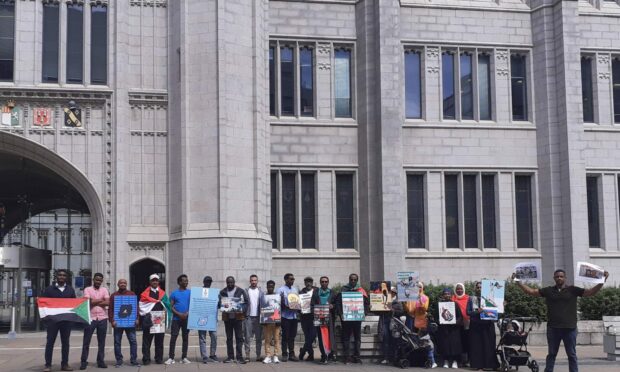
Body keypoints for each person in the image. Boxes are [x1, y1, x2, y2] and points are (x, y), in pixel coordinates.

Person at [513, 269, 610, 372]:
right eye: (557, 276)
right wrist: (518, 282)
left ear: (565, 278)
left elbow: (590, 292)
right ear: (554, 278)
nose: (559, 278)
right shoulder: (549, 291)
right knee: (551, 354)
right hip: (553, 328)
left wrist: (602, 281)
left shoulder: (573, 290)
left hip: (570, 328)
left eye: (561, 276)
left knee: (572, 355)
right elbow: (531, 292)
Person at [42, 269, 76, 372]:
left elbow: (74, 304)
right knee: (50, 343)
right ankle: (48, 365)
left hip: (66, 321)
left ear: (66, 278)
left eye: (64, 275)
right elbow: (43, 304)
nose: (62, 277)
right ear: (56, 276)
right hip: (53, 321)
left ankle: (64, 364)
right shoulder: (49, 289)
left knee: (65, 343)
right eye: (60, 275)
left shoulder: (70, 290)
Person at [333, 273, 370, 364]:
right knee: (346, 338)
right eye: (351, 279)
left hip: (357, 318)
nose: (353, 281)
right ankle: (347, 357)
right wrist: (341, 314)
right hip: (346, 319)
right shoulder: (343, 289)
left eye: (355, 280)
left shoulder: (361, 290)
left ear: (357, 280)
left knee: (357, 338)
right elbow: (338, 303)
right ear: (349, 280)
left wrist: (364, 313)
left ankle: (357, 356)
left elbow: (366, 304)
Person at [80, 273, 110, 370]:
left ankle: (100, 361)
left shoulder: (104, 289)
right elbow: (88, 302)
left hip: (102, 318)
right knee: (86, 342)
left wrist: (94, 301)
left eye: (100, 280)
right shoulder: (87, 289)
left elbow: (108, 302)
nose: (98, 282)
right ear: (93, 279)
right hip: (90, 318)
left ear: (102, 281)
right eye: (97, 280)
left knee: (101, 342)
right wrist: (101, 300)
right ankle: (84, 361)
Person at [466, 281, 499, 371]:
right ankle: (478, 364)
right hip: (476, 325)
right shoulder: (471, 299)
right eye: (478, 287)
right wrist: (478, 311)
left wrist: (501, 306)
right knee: (476, 346)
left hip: (488, 325)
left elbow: (496, 312)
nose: (479, 289)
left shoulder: (490, 298)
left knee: (489, 345)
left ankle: (490, 364)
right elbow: (468, 312)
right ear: (475, 289)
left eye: (481, 287)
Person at [108, 278, 140, 368]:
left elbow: (136, 308)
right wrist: (112, 320)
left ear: (126, 284)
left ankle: (133, 360)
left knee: (133, 341)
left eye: (124, 283)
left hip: (130, 323)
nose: (123, 284)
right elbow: (110, 309)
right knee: (117, 342)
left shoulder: (132, 294)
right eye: (121, 283)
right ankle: (119, 360)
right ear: (118, 284)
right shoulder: (114, 295)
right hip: (118, 323)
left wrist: (137, 318)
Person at [220, 276, 249, 364]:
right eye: (228, 282)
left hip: (238, 318)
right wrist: (221, 305)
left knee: (239, 338)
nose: (230, 284)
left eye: (231, 282)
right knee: (229, 338)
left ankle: (239, 357)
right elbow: (219, 303)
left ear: (234, 282)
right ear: (226, 282)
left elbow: (246, 302)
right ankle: (230, 357)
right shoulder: (222, 292)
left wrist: (241, 309)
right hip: (227, 319)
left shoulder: (240, 291)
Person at [139, 274, 167, 365]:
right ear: (150, 282)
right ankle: (146, 359)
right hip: (149, 318)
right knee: (147, 340)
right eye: (153, 280)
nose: (155, 282)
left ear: (158, 282)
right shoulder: (144, 294)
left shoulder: (163, 293)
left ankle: (159, 358)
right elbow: (142, 305)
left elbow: (167, 305)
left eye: (156, 280)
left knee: (159, 340)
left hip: (159, 318)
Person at [165, 274, 191, 365]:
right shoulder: (174, 293)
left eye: (187, 280)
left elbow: (193, 305)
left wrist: (187, 313)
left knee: (185, 338)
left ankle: (184, 357)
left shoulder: (190, 292)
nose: (186, 282)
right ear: (179, 282)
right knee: (173, 338)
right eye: (184, 280)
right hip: (176, 319)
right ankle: (171, 357)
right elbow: (170, 307)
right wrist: (179, 314)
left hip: (187, 319)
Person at [435, 288, 463, 369]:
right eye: (445, 293)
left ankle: (455, 361)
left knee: (454, 345)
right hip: (444, 329)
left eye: (449, 293)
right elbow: (436, 317)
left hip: (454, 329)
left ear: (451, 295)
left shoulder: (455, 304)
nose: (447, 295)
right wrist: (439, 321)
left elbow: (460, 317)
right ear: (443, 295)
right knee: (445, 345)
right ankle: (446, 361)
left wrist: (456, 322)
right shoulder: (439, 305)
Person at [312, 276, 337, 364]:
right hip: (319, 317)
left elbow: (336, 304)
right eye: (322, 282)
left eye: (326, 281)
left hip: (329, 316)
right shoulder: (315, 293)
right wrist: (315, 311)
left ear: (328, 282)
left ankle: (330, 354)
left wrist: (333, 306)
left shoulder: (332, 292)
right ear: (320, 282)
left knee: (330, 335)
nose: (324, 283)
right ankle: (323, 355)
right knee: (321, 336)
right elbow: (312, 305)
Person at [278, 273, 300, 362]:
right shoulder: (280, 290)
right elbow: (277, 303)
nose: (292, 280)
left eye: (293, 279)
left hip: (294, 316)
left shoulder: (295, 290)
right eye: (291, 279)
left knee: (292, 336)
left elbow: (297, 301)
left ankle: (292, 354)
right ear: (286, 280)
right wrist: (284, 305)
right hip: (285, 316)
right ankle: (284, 354)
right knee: (285, 336)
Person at [198, 276, 219, 363]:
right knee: (202, 337)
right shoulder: (198, 292)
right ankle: (204, 356)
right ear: (203, 282)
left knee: (214, 336)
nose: (208, 283)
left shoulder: (214, 293)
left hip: (211, 318)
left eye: (209, 282)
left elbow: (218, 304)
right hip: (201, 317)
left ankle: (212, 354)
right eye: (206, 281)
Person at [244, 274, 265, 362]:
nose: (253, 282)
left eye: (255, 280)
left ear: (257, 281)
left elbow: (264, 304)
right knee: (247, 337)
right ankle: (247, 355)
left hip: (258, 317)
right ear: (250, 281)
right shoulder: (246, 291)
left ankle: (258, 355)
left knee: (259, 338)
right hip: (248, 317)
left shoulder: (261, 292)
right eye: (252, 280)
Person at [378, 286, 401, 365]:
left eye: (392, 292)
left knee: (394, 340)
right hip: (385, 321)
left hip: (394, 323)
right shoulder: (384, 299)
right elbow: (379, 311)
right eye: (390, 292)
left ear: (395, 293)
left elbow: (401, 312)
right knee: (385, 339)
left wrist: (393, 310)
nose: (391, 293)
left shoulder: (398, 301)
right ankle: (386, 358)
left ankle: (393, 358)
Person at [299, 276, 318, 361]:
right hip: (304, 318)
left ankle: (302, 351)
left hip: (314, 317)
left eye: (310, 281)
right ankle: (311, 355)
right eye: (307, 281)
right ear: (304, 283)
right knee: (307, 337)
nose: (308, 283)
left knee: (312, 335)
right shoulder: (301, 292)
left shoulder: (317, 291)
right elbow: (298, 304)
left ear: (312, 282)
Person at [262, 280, 281, 364]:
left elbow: (279, 308)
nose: (270, 288)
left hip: (276, 321)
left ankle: (276, 355)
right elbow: (262, 309)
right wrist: (263, 320)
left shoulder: (277, 297)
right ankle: (268, 356)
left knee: (277, 339)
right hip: (267, 321)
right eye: (269, 286)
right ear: (267, 287)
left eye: (272, 287)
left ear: (274, 287)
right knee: (267, 339)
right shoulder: (264, 297)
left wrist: (279, 319)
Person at [451, 283, 469, 367]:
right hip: (457, 324)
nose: (459, 290)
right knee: (458, 342)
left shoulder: (468, 298)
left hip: (467, 323)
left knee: (466, 341)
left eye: (461, 288)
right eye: (457, 289)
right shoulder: (452, 299)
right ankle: (459, 360)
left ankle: (466, 360)